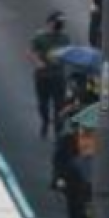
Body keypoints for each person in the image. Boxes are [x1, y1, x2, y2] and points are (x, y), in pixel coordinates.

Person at [28, 11, 70, 139]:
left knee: (60, 104)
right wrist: (38, 62)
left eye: (61, 23)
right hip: (43, 76)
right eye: (57, 23)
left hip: (58, 76)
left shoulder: (64, 37)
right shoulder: (40, 37)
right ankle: (45, 121)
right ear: (50, 23)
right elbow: (30, 52)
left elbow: (68, 52)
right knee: (43, 103)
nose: (59, 25)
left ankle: (58, 129)